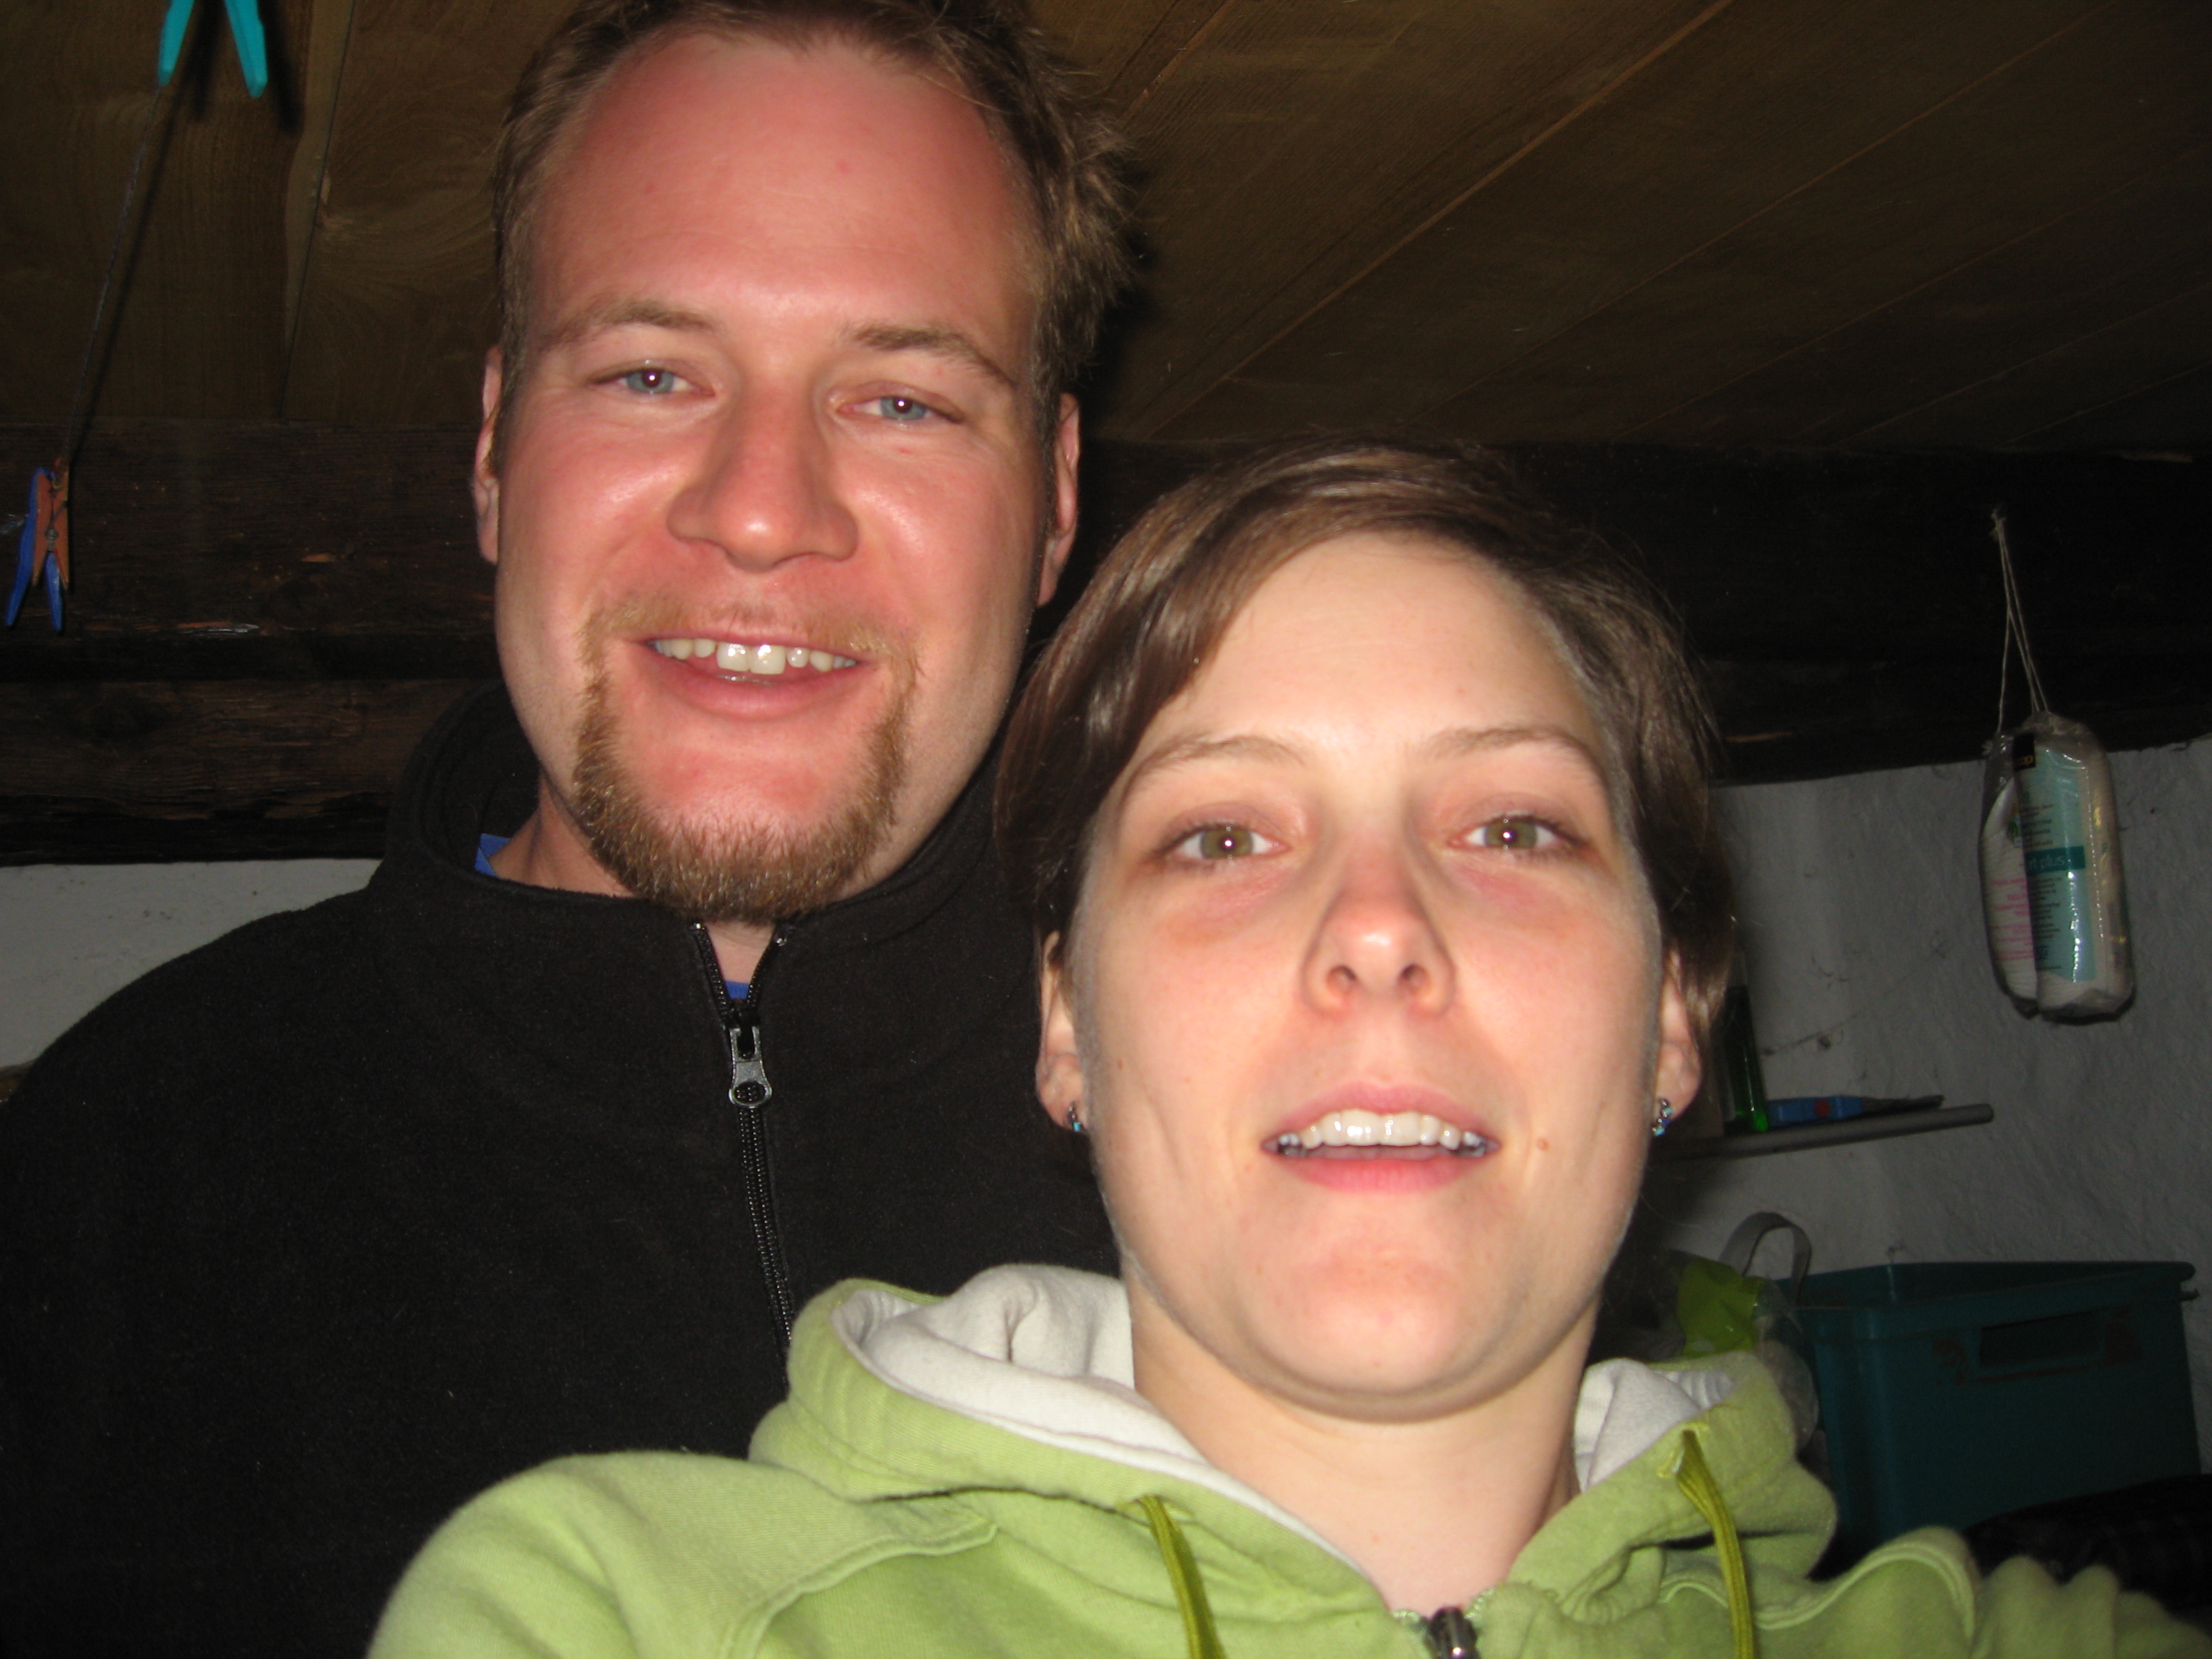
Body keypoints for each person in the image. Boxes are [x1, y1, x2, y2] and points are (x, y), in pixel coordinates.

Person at [369, 437, 2210, 1658]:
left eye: (1514, 827)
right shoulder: (617, 1618)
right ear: (1066, 1020)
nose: (1380, 927)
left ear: (1674, 1013)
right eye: (1225, 836)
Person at [0, 3, 1130, 1654]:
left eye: (901, 401)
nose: (761, 510)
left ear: (1058, 500)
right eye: (651, 374)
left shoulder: (1254, 1122)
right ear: (491, 452)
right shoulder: (113, 1172)